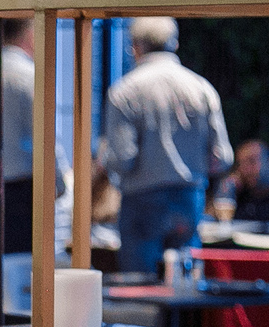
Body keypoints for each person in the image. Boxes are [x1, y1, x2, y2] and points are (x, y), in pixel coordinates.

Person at [99, 17, 233, 274]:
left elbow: (123, 159)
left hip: (141, 201)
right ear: (175, 44)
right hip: (189, 198)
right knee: (184, 280)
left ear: (135, 47)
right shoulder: (201, 88)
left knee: (140, 285)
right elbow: (222, 156)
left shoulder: (125, 91)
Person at [1, 17, 68, 256]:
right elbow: (46, 137)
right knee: (24, 263)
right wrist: (59, 182)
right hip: (23, 188)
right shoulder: (29, 76)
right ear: (31, 35)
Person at [217, 139, 269, 224]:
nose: (245, 169)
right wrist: (225, 191)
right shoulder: (237, 199)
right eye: (240, 164)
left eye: (252, 161)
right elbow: (212, 222)